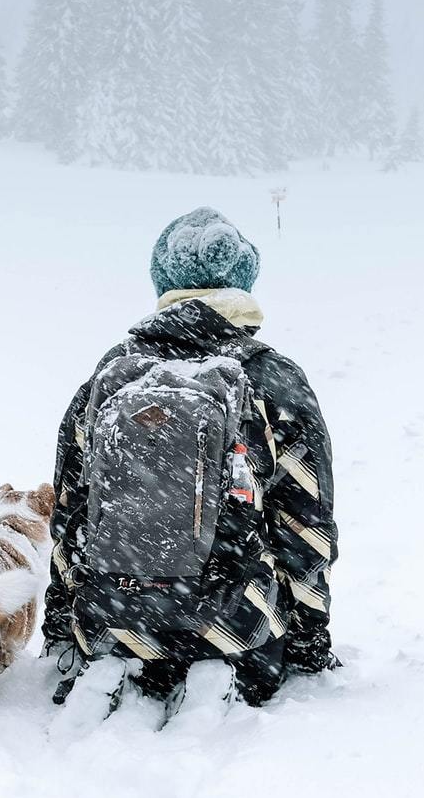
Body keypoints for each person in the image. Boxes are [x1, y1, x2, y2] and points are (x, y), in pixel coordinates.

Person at [40, 207, 338, 709]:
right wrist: (309, 641)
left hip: (112, 627)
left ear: (163, 282)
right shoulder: (273, 377)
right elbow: (304, 522)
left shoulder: (113, 374)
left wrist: (62, 626)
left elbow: (71, 512)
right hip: (240, 635)